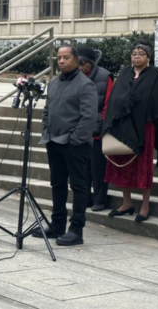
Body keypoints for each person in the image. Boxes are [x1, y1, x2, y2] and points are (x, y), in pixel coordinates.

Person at [33, 45, 98, 246]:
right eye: (59, 58)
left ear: (75, 60)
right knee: (57, 184)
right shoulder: (53, 83)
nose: (61, 61)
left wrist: (74, 139)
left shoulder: (85, 85)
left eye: (66, 57)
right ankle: (57, 224)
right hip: (53, 141)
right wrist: (47, 132)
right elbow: (47, 111)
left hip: (74, 144)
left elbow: (88, 117)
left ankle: (76, 229)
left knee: (78, 186)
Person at [102, 41, 158, 223]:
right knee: (122, 162)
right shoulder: (124, 73)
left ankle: (145, 205)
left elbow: (154, 100)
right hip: (122, 125)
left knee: (143, 167)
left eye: (141, 53)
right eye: (134, 53)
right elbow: (115, 97)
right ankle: (126, 202)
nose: (136, 56)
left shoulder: (154, 74)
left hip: (144, 126)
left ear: (148, 57)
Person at [77, 47, 114, 212]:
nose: (80, 68)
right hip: (78, 130)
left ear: (90, 64)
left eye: (82, 64)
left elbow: (109, 104)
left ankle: (100, 199)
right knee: (82, 169)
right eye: (77, 64)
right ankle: (85, 198)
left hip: (97, 131)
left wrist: (102, 125)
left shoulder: (104, 76)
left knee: (98, 168)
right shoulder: (73, 76)